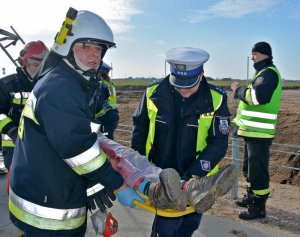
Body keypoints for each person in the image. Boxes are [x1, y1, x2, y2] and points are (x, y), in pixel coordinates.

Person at [9, 9, 145, 237]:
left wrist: (93, 185)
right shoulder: (60, 88)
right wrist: (118, 185)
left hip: (48, 185)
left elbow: (76, 140)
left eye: (99, 48)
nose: (95, 55)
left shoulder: (70, 80)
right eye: (86, 46)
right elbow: (79, 149)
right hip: (48, 208)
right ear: (68, 48)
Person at [131, 47, 236, 237]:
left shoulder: (217, 99)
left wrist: (195, 174)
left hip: (198, 176)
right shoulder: (152, 93)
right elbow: (139, 131)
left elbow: (218, 143)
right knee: (166, 229)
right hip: (162, 176)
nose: (183, 90)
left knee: (190, 225)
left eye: (189, 85)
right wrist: (137, 168)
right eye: (179, 84)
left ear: (201, 75)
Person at [231, 41, 282, 220]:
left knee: (257, 171)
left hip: (259, 134)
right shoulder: (262, 73)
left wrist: (238, 91)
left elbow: (258, 97)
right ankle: (251, 198)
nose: (252, 57)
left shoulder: (268, 73)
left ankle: (259, 207)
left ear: (264, 55)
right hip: (251, 132)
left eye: (255, 54)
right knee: (250, 169)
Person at [0, 41, 49, 172]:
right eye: (35, 64)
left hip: (46, 145)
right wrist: (12, 131)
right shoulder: (6, 85)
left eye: (43, 65)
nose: (39, 69)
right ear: (24, 63)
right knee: (19, 186)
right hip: (14, 147)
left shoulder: (50, 86)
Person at [95, 62, 119, 140]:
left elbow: (99, 102)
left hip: (104, 116)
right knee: (108, 139)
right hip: (112, 115)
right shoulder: (109, 83)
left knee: (103, 140)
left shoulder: (100, 84)